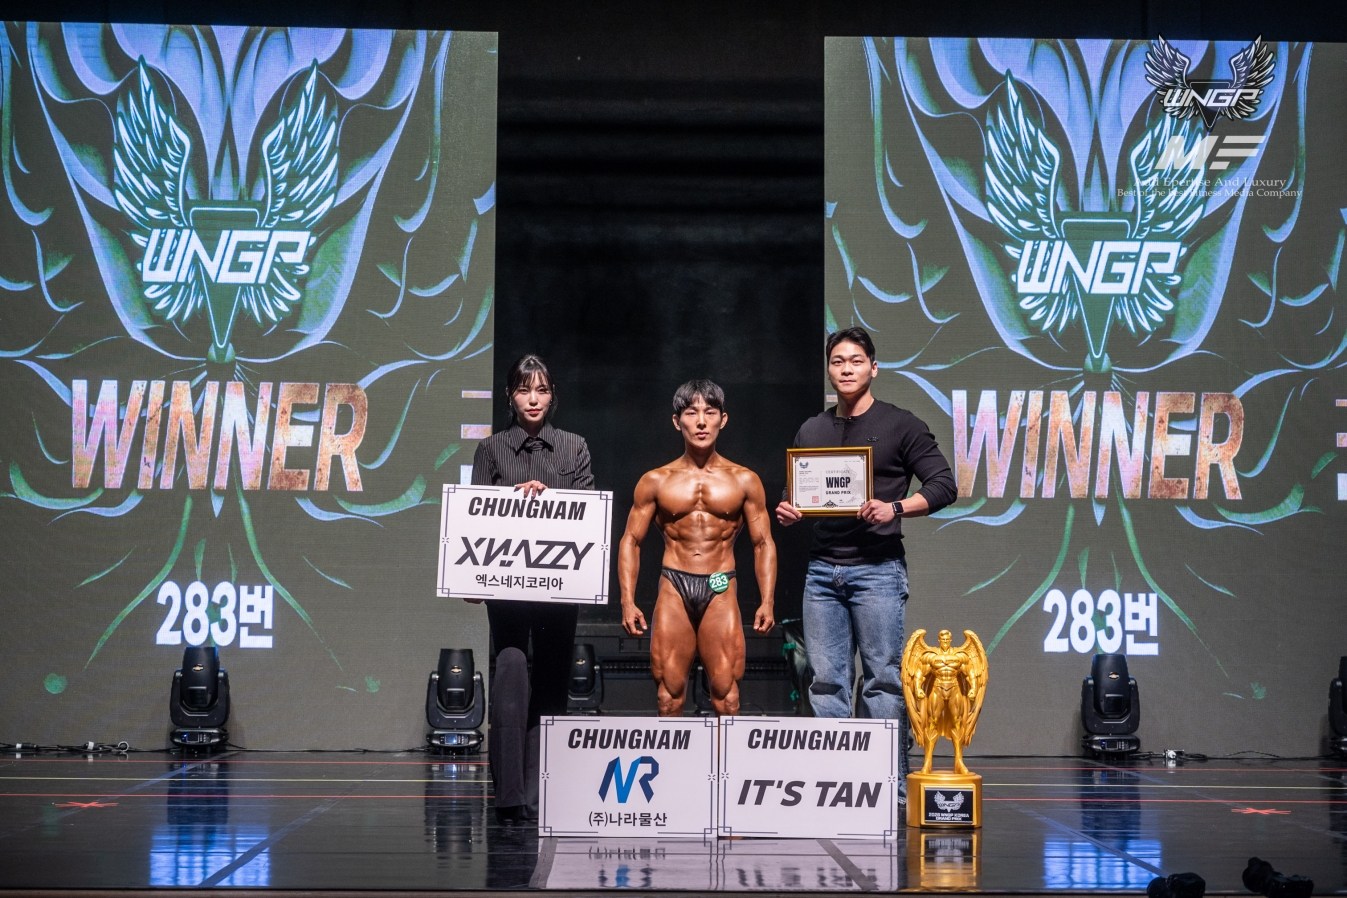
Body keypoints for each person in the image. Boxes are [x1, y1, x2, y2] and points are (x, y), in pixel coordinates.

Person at [774, 328, 957, 797]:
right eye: (838, 361)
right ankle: (838, 786)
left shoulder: (901, 424)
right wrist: (789, 508)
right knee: (826, 683)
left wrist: (895, 508)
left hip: (877, 570)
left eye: (856, 361)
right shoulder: (812, 429)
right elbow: (796, 491)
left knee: (883, 683)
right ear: (829, 370)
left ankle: (889, 787)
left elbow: (943, 486)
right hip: (822, 573)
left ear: (873, 368)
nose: (847, 369)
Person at [469, 354, 594, 826]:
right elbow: (476, 515)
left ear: (552, 394)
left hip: (559, 587)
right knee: (510, 674)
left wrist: (552, 500)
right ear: (510, 396)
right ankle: (509, 796)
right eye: (524, 390)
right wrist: (472, 577)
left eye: (541, 389)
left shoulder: (574, 447)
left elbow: (588, 513)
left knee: (552, 682)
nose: (533, 399)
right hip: (508, 589)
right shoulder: (491, 450)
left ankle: (543, 793)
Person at [618, 379, 777, 717]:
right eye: (691, 413)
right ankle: (672, 755)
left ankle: (725, 756)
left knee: (727, 698)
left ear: (723, 419)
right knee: (668, 697)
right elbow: (631, 540)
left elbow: (762, 542)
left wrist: (768, 600)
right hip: (674, 583)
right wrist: (627, 601)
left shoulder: (744, 480)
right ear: (677, 421)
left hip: (721, 584)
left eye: (710, 412)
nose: (701, 422)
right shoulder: (655, 480)